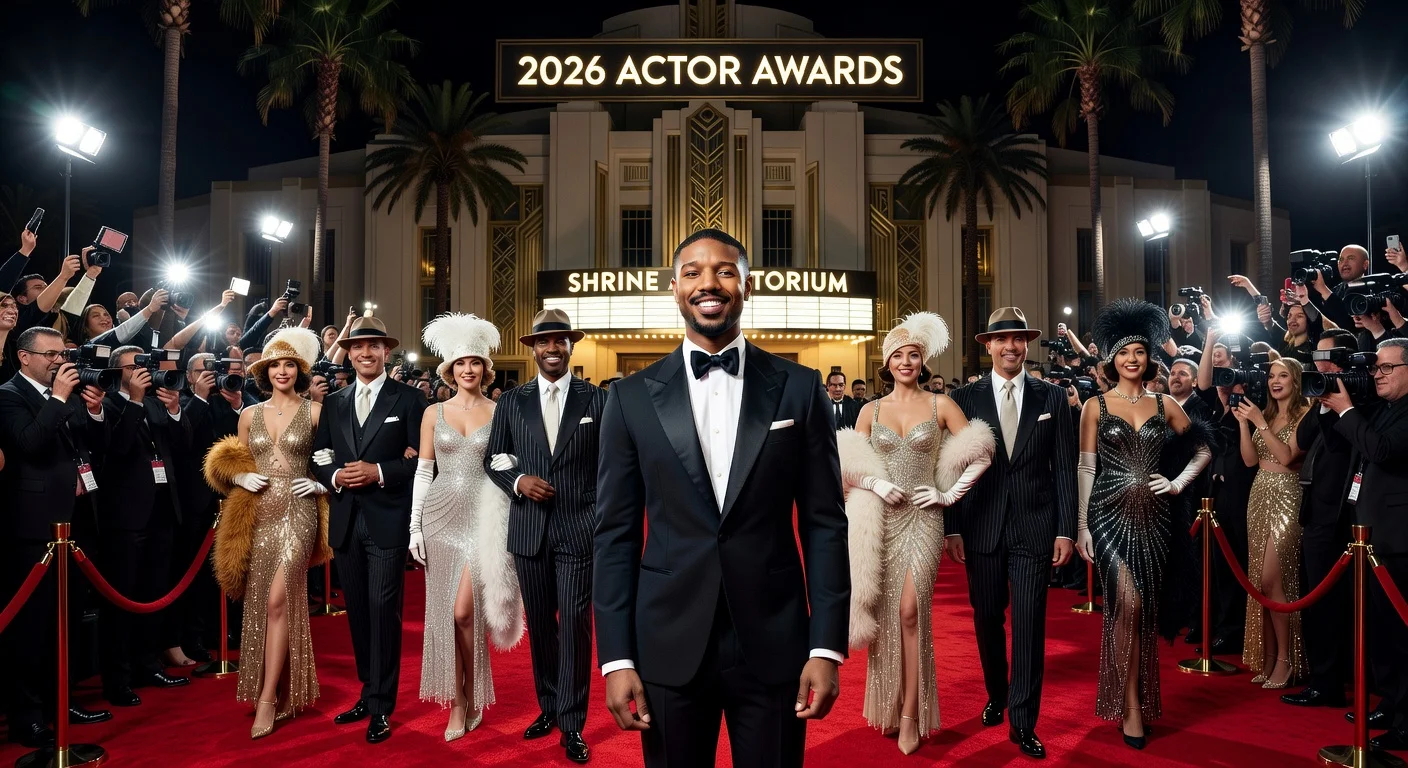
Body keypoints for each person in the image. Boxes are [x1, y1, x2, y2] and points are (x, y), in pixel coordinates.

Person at [594, 228, 850, 768]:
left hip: (775, 642)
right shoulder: (629, 398)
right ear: (673, 288)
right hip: (666, 644)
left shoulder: (801, 389)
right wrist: (615, 657)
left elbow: (825, 525)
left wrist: (826, 647)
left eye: (725, 270)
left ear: (747, 286)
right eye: (693, 272)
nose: (708, 283)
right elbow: (614, 536)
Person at [838, 312, 993, 754]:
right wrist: (874, 483)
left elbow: (981, 451)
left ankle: (910, 711)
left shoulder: (940, 405)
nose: (906, 361)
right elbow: (847, 469)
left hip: (924, 520)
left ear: (922, 360)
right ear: (886, 363)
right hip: (880, 522)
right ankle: (890, 704)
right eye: (898, 355)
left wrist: (949, 494)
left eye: (914, 355)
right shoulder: (870, 410)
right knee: (887, 614)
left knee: (910, 609)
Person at [1076, 299, 1212, 750]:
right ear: (1111, 361)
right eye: (1122, 353)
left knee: (1142, 611)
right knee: (1127, 605)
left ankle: (1131, 697)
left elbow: (1203, 449)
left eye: (1138, 351)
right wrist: (1082, 527)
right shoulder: (1095, 406)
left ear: (1148, 356)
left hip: (1154, 519)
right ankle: (1130, 703)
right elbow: (1086, 469)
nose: (1131, 359)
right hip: (1108, 515)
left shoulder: (1164, 402)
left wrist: (1177, 483)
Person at [946, 307, 1076, 760]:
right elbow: (953, 466)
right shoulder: (964, 398)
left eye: (1019, 339)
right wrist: (953, 528)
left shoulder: (1053, 398)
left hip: (1035, 528)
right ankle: (997, 693)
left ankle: (1023, 721)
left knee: (1029, 625)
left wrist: (1066, 530)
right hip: (980, 527)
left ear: (1027, 344)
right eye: (1003, 340)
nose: (1011, 347)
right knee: (986, 619)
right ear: (988, 346)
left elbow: (1064, 467)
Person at [484, 308, 607, 764]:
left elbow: (612, 466)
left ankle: (572, 724)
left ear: (571, 346)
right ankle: (549, 707)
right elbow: (495, 457)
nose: (552, 348)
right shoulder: (512, 402)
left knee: (575, 627)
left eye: (560, 341)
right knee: (541, 627)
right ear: (532, 348)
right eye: (544, 342)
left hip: (580, 531)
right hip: (529, 532)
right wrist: (518, 481)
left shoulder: (596, 399)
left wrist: (597, 517)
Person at [204, 328, 330, 739]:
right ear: (264, 372)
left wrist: (320, 484)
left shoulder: (315, 412)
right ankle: (273, 687)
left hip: (298, 511)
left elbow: (333, 463)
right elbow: (234, 462)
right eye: (274, 364)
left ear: (299, 370)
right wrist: (240, 473)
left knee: (278, 599)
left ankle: (268, 699)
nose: (281, 371)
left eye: (289, 364)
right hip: (257, 514)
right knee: (262, 603)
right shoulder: (248, 415)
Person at [309, 314, 428, 743]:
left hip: (387, 520)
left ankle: (382, 705)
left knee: (384, 612)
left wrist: (379, 470)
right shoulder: (336, 402)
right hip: (345, 521)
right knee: (358, 614)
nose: (365, 353)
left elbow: (423, 462)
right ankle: (367, 690)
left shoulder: (409, 400)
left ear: (385, 352)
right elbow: (319, 454)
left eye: (373, 346)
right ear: (349, 353)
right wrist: (337, 477)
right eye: (357, 347)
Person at [410, 313, 523, 741]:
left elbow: (508, 466)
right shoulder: (432, 412)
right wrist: (414, 529)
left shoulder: (500, 411)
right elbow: (423, 471)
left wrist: (510, 466)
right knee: (444, 614)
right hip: (438, 516)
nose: (469, 369)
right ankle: (458, 702)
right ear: (450, 370)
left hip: (481, 517)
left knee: (463, 611)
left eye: (475, 363)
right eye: (461, 364)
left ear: (485, 369)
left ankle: (474, 691)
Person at [0, 326, 112, 746]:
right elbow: (28, 445)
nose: (57, 361)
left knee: (65, 621)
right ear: (24, 357)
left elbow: (92, 446)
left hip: (73, 523)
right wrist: (60, 399)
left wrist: (96, 410)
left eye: (61, 353)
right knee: (30, 627)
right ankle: (27, 714)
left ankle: (60, 701)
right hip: (31, 527)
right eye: (49, 355)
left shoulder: (64, 393)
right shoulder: (8, 395)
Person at [1321, 337, 1408, 750]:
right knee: (1382, 632)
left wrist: (1350, 411)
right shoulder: (1384, 408)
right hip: (1371, 537)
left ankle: (1407, 720)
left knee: (1401, 632)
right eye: (1376, 368)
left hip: (1400, 538)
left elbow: (1383, 449)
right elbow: (1342, 441)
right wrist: (1332, 406)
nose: (1377, 374)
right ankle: (1391, 704)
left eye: (1387, 368)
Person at [1281, 329, 1358, 709]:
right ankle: (1325, 679)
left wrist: (1335, 400)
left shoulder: (1358, 399)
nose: (1318, 365)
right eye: (1315, 358)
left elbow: (1342, 442)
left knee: (1333, 605)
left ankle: (1330, 682)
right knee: (1318, 602)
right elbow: (1305, 436)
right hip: (1317, 513)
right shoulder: (1323, 402)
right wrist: (1322, 400)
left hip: (1340, 515)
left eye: (1325, 358)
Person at [1232, 357, 1309, 688]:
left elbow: (1287, 457)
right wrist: (1242, 423)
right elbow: (1251, 460)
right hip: (1258, 493)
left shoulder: (1304, 414)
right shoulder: (1264, 414)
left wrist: (1259, 424)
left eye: (1283, 376)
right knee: (1260, 584)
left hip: (1288, 496)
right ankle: (1268, 658)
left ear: (1295, 381)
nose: (1275, 381)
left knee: (1273, 579)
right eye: (1271, 376)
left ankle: (1287, 661)